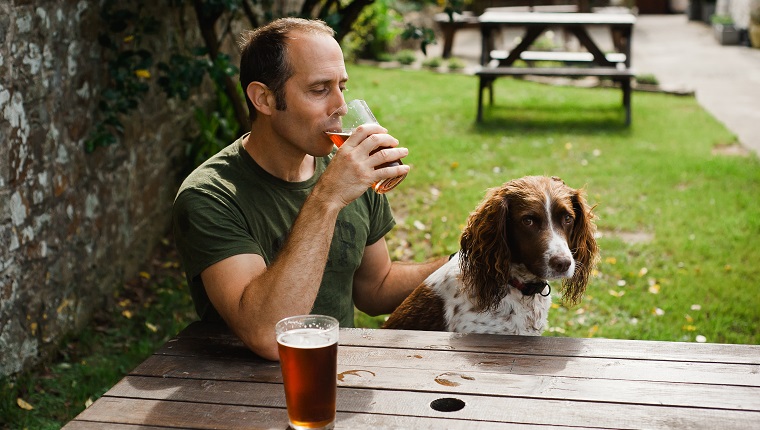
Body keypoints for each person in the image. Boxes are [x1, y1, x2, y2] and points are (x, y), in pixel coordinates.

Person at [172, 17, 448, 361]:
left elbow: (375, 289)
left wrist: (463, 262)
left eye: (341, 87)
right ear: (264, 99)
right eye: (319, 90)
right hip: (237, 393)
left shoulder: (350, 170)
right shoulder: (209, 196)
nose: (341, 107)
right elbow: (269, 337)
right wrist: (328, 197)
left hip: (334, 374)